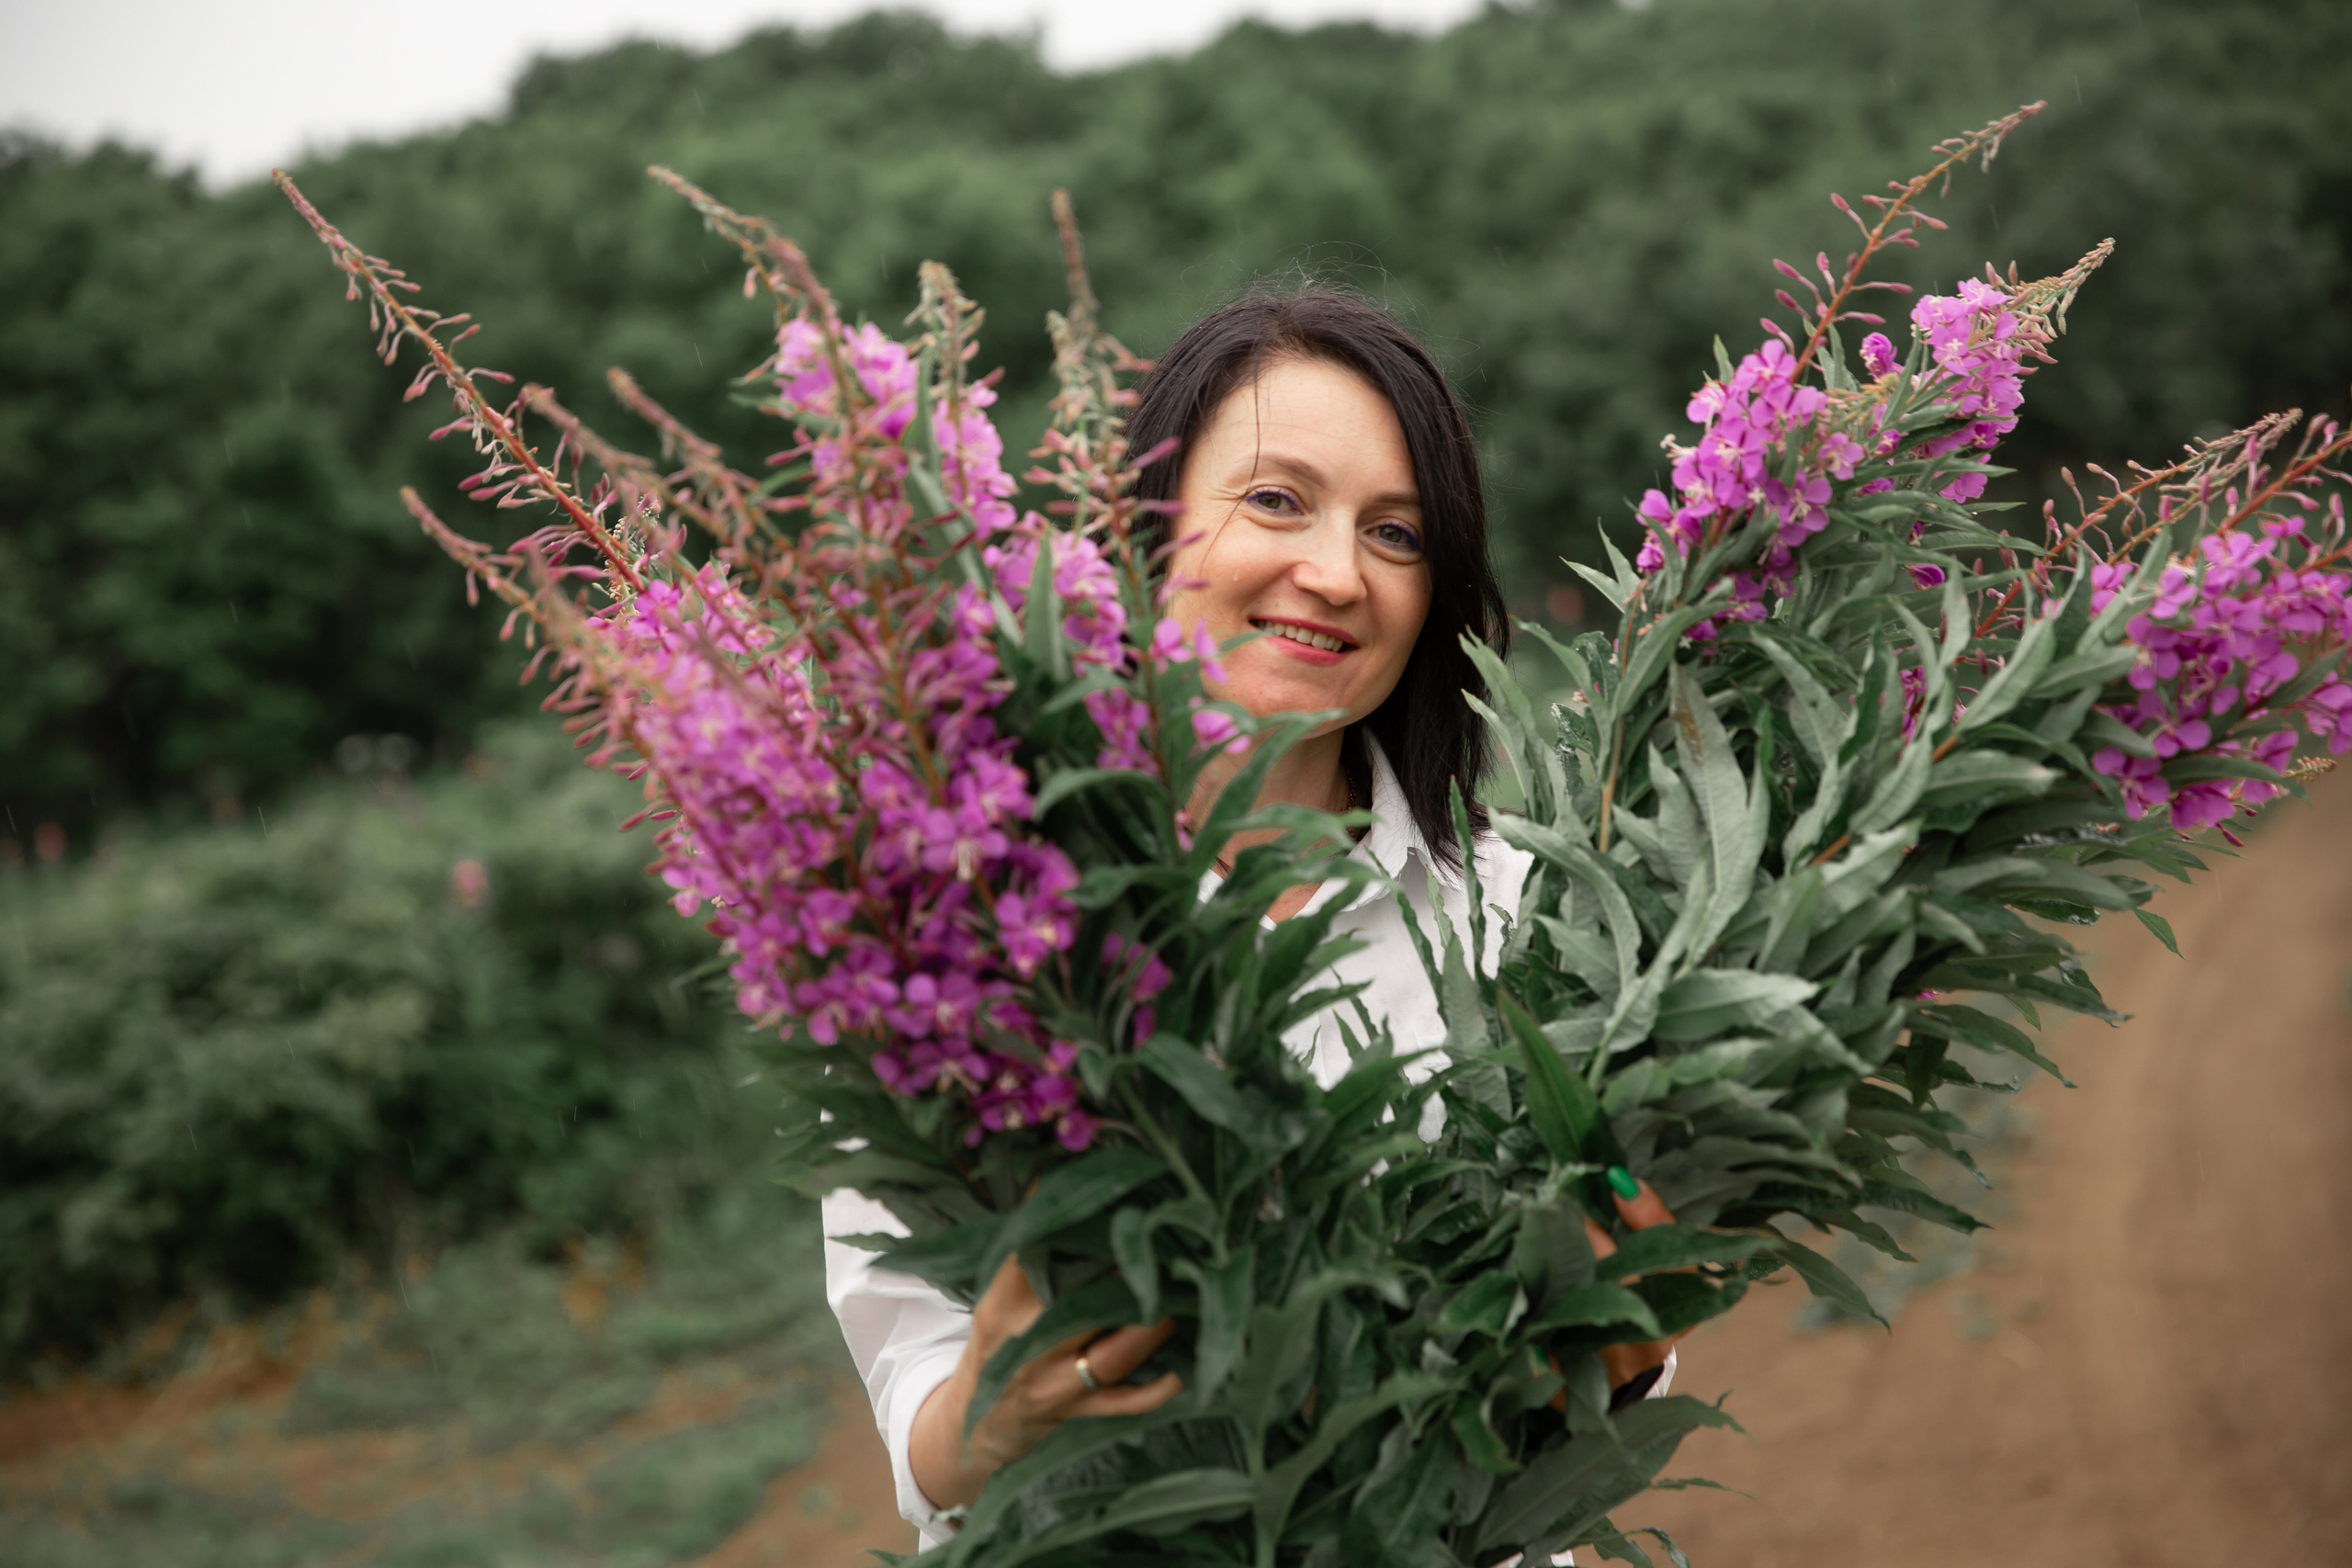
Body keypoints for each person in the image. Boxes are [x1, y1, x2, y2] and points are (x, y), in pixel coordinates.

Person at [822, 288, 1686, 1556]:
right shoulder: (967, 932)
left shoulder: (1529, 912)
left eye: (1395, 533)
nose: (1335, 575)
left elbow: (1595, 1387)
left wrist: (1630, 1326)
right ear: (1139, 527)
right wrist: (992, 1423)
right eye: (1277, 500)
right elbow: (919, 1397)